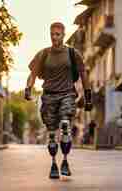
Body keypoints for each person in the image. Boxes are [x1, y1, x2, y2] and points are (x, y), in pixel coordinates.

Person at [24, 22, 92, 179]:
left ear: (63, 35)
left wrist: (88, 98)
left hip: (67, 94)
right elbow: (33, 74)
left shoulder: (72, 54)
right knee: (52, 133)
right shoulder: (43, 54)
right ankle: (54, 163)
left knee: (65, 125)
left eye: (58, 34)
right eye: (52, 34)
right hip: (48, 96)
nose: (54, 37)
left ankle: (65, 161)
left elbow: (84, 75)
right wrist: (28, 88)